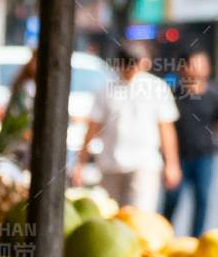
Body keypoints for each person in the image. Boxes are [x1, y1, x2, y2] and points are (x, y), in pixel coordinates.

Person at [75, 43, 180, 211]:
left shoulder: (157, 88)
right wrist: (80, 163)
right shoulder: (106, 90)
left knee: (139, 218)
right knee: (111, 215)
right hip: (111, 164)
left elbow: (166, 129)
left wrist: (172, 163)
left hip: (144, 165)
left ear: (144, 63)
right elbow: (93, 127)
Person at [162, 51, 218, 236]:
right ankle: (163, 236)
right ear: (182, 68)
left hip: (204, 157)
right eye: (195, 63)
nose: (200, 67)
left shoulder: (214, 96)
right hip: (177, 158)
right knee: (172, 200)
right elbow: (162, 127)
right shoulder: (172, 94)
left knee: (202, 200)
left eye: (203, 63)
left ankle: (196, 240)